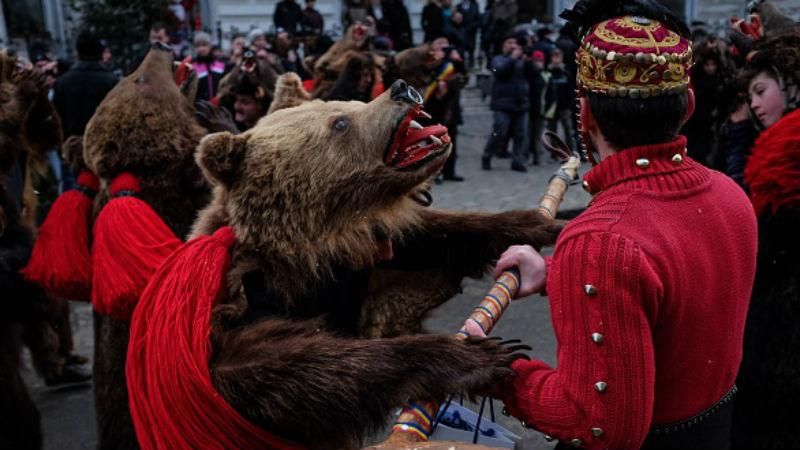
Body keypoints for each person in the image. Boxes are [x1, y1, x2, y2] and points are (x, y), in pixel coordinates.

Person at [469, 4, 758, 449]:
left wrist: (495, 372)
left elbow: (597, 425)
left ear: (585, 116)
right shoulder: (729, 194)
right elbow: (669, 282)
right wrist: (558, 269)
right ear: (689, 105)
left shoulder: (600, 241)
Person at [731, 29, 800, 450]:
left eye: (761, 90)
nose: (754, 104)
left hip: (782, 336)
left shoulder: (785, 148)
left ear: (790, 83)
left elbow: (758, 233)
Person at [481, 35, 533, 172]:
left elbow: (533, 75)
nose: (513, 45)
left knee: (520, 134)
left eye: (515, 43)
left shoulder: (521, 60)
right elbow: (498, 72)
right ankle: (487, 155)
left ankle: (517, 161)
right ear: (504, 45)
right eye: (509, 42)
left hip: (521, 103)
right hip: (502, 103)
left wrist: (528, 62)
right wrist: (512, 58)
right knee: (499, 132)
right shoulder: (498, 59)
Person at [52, 30, 118, 138]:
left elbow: (58, 119)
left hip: (71, 145)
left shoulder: (62, 83)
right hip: (102, 145)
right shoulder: (112, 82)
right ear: (101, 52)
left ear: (77, 52)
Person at [545, 48, 576, 153]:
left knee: (568, 129)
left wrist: (570, 106)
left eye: (558, 57)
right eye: (554, 57)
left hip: (565, 107)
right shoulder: (548, 73)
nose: (556, 60)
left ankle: (570, 151)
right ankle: (554, 152)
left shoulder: (566, 73)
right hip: (552, 107)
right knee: (552, 131)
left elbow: (571, 90)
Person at [527, 50, 550, 165]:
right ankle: (526, 156)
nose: (538, 63)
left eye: (540, 61)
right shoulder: (530, 74)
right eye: (536, 61)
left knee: (537, 135)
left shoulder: (546, 75)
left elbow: (550, 94)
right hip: (529, 108)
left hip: (540, 109)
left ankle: (537, 157)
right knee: (527, 134)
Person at [192, 32, 226, 102]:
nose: (201, 48)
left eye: (204, 45)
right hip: (200, 108)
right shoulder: (193, 67)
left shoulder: (220, 65)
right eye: (197, 46)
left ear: (210, 46)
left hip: (220, 106)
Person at [456, 0, 480, 67]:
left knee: (471, 50)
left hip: (471, 31)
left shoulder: (475, 6)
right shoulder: (458, 6)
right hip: (461, 31)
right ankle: (461, 66)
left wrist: (473, 26)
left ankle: (471, 65)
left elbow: (478, 19)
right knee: (461, 49)